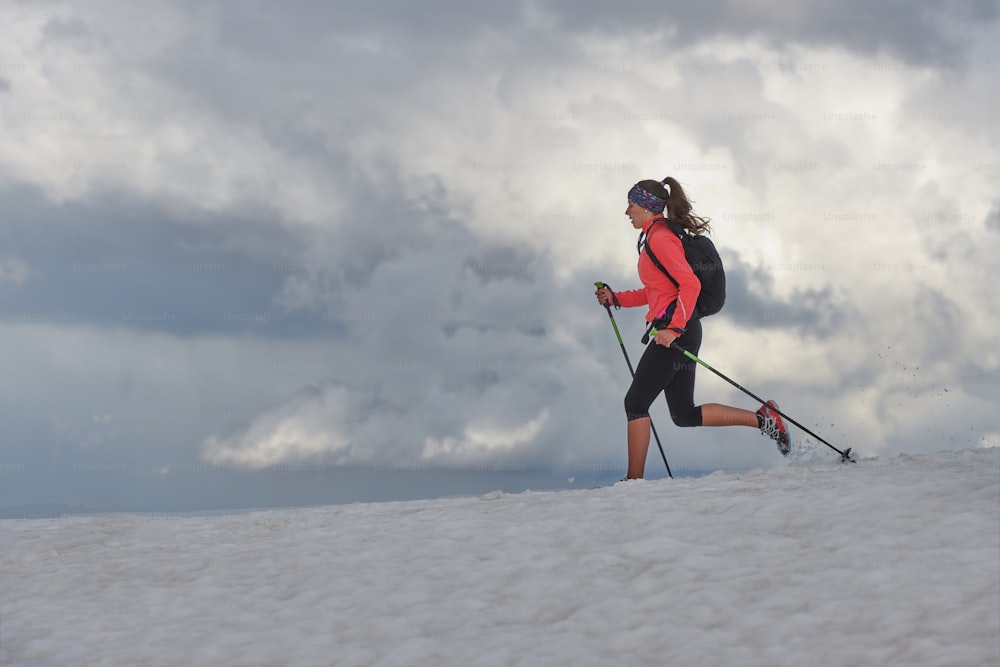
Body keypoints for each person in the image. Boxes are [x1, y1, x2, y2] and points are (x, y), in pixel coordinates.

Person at [595, 177, 790, 479]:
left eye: (631, 205)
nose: (627, 211)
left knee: (635, 402)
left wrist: (673, 328)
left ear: (647, 207)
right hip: (682, 329)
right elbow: (656, 290)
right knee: (683, 414)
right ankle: (765, 419)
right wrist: (616, 298)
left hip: (677, 333)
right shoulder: (652, 238)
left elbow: (690, 284)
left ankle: (632, 483)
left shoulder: (660, 238)